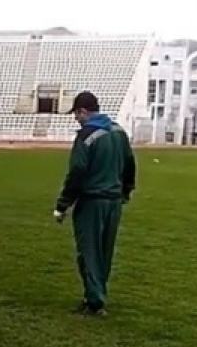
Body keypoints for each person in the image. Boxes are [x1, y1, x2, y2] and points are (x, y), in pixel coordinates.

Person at [53, 91, 137, 316]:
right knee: (104, 251)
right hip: (114, 202)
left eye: (76, 114)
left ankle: (95, 301)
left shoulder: (86, 135)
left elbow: (78, 171)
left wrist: (63, 205)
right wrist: (126, 191)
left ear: (83, 111)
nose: (76, 119)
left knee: (89, 251)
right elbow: (130, 164)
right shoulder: (119, 132)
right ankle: (96, 292)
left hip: (92, 202)